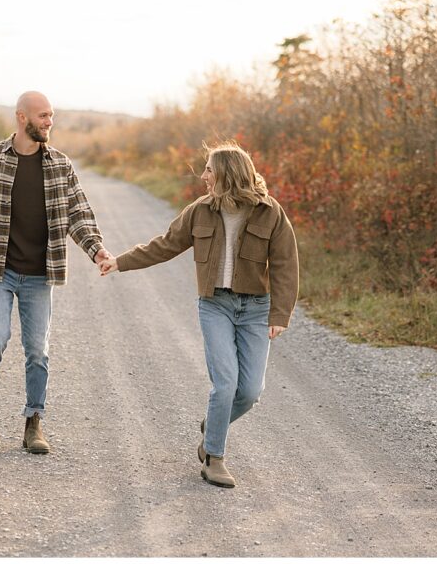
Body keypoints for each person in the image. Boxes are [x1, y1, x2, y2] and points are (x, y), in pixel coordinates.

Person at [99, 141, 298, 488]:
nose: (203, 175)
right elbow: (166, 243)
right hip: (215, 305)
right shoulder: (200, 210)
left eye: (209, 168)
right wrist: (121, 261)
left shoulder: (270, 212)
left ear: (227, 173)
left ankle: (212, 427)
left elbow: (285, 265)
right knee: (225, 384)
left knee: (250, 391)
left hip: (255, 309)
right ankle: (214, 459)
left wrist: (280, 313)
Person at [0, 91, 111, 454]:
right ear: (22, 118)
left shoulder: (60, 165)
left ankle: (33, 422)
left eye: (51, 115)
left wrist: (96, 249)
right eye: (42, 116)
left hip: (40, 273)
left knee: (38, 350)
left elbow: (78, 214)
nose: (49, 122)